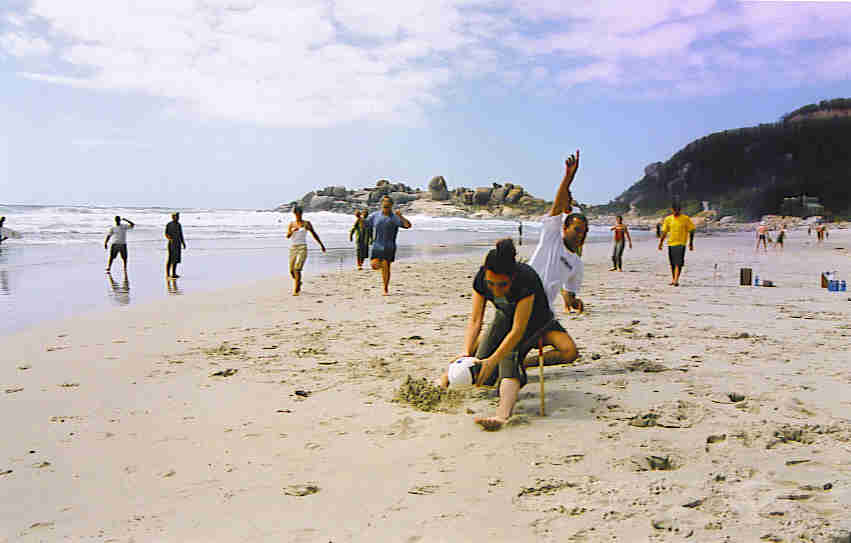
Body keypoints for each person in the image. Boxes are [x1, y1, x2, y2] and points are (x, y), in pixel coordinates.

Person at [438, 239, 578, 431]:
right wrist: (466, 351)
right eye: (491, 284)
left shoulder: (525, 279)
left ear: (513, 277)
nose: (495, 290)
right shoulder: (481, 279)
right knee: (481, 370)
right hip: (504, 317)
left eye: (502, 285)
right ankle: (444, 381)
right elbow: (475, 320)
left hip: (535, 323)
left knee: (507, 358)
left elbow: (517, 330)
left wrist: (494, 359)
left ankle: (502, 415)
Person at [528, 150, 586, 315]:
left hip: (544, 311)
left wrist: (573, 301)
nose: (580, 234)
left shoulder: (576, 263)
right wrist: (568, 177)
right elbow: (556, 206)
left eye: (583, 232)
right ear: (565, 228)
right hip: (524, 300)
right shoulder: (552, 236)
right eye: (577, 230)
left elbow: (570, 288)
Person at [365, 196, 411, 295]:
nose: (386, 208)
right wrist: (359, 218)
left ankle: (385, 289)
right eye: (384, 206)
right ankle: (384, 270)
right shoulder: (375, 216)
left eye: (388, 206)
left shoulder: (394, 217)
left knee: (386, 266)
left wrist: (401, 216)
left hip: (389, 246)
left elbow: (408, 225)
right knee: (374, 265)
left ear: (391, 206)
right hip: (377, 245)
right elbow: (365, 224)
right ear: (381, 205)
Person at [286, 205, 326, 295]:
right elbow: (287, 236)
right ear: (294, 214)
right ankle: (298, 281)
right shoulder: (292, 224)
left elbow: (314, 234)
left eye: (299, 213)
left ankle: (296, 290)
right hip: (293, 248)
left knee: (297, 269)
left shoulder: (306, 224)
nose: (298, 215)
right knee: (291, 271)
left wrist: (321, 245)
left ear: (302, 213)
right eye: (296, 214)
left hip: (302, 247)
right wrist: (292, 231)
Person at [658, 200, 695, 287]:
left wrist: (691, 243)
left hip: (681, 243)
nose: (676, 212)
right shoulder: (668, 219)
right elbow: (664, 232)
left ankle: (676, 280)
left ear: (680, 210)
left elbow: (692, 230)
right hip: (671, 243)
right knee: (672, 263)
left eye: (677, 210)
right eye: (674, 210)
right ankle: (673, 279)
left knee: (679, 263)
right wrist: (660, 243)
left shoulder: (685, 219)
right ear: (672, 210)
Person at [165, 212, 186, 279]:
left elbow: (181, 234)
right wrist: (170, 238)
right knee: (170, 258)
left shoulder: (179, 225)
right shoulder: (169, 224)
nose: (178, 218)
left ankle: (173, 273)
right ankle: (167, 274)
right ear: (173, 217)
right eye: (177, 216)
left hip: (178, 243)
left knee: (176, 259)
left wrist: (183, 243)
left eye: (178, 216)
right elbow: (166, 234)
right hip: (171, 243)